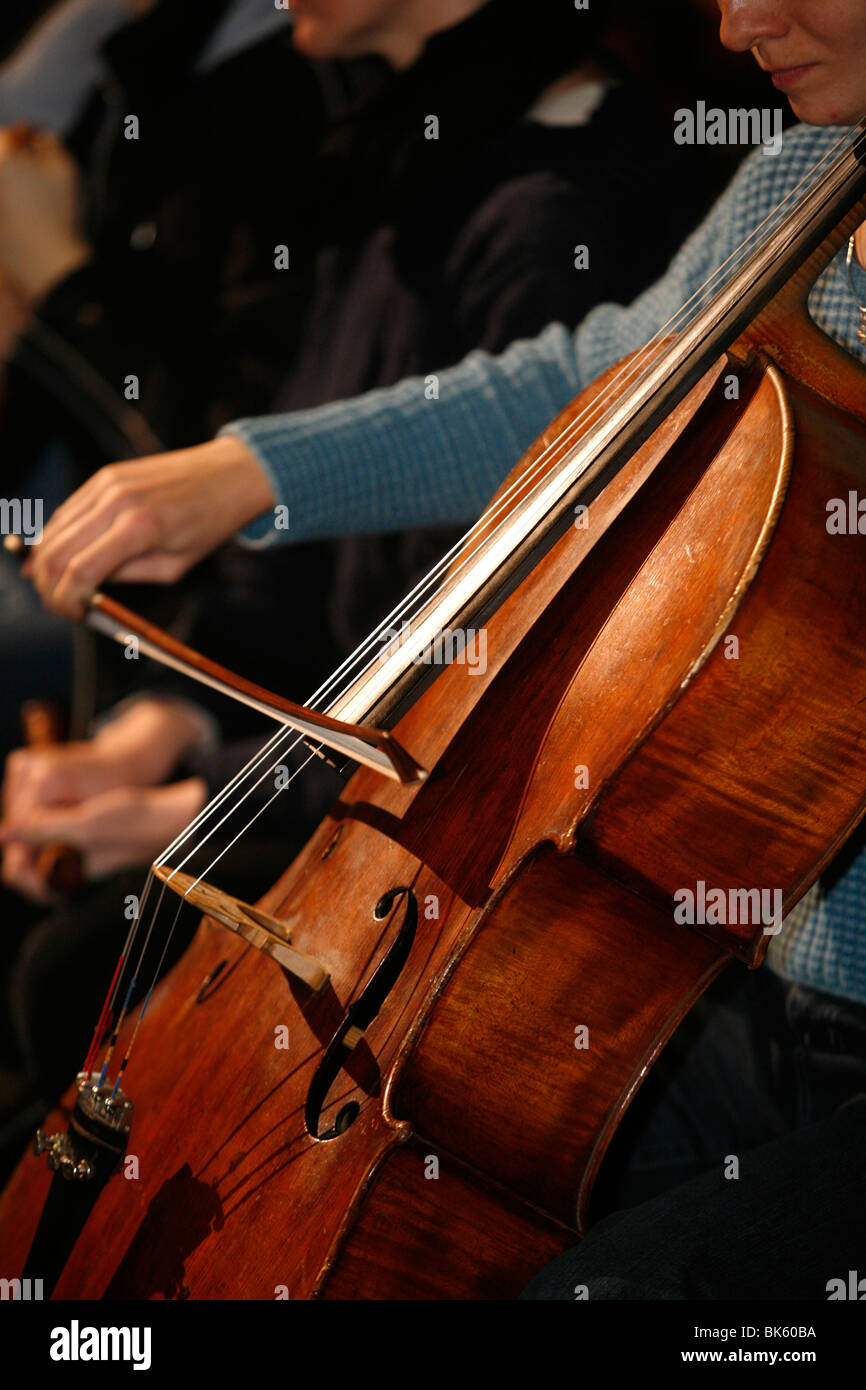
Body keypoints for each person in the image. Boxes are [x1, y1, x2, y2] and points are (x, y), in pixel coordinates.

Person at [11, 0, 866, 1296]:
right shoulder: (821, 164)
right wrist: (251, 470)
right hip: (761, 989)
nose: (738, 21)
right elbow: (608, 377)